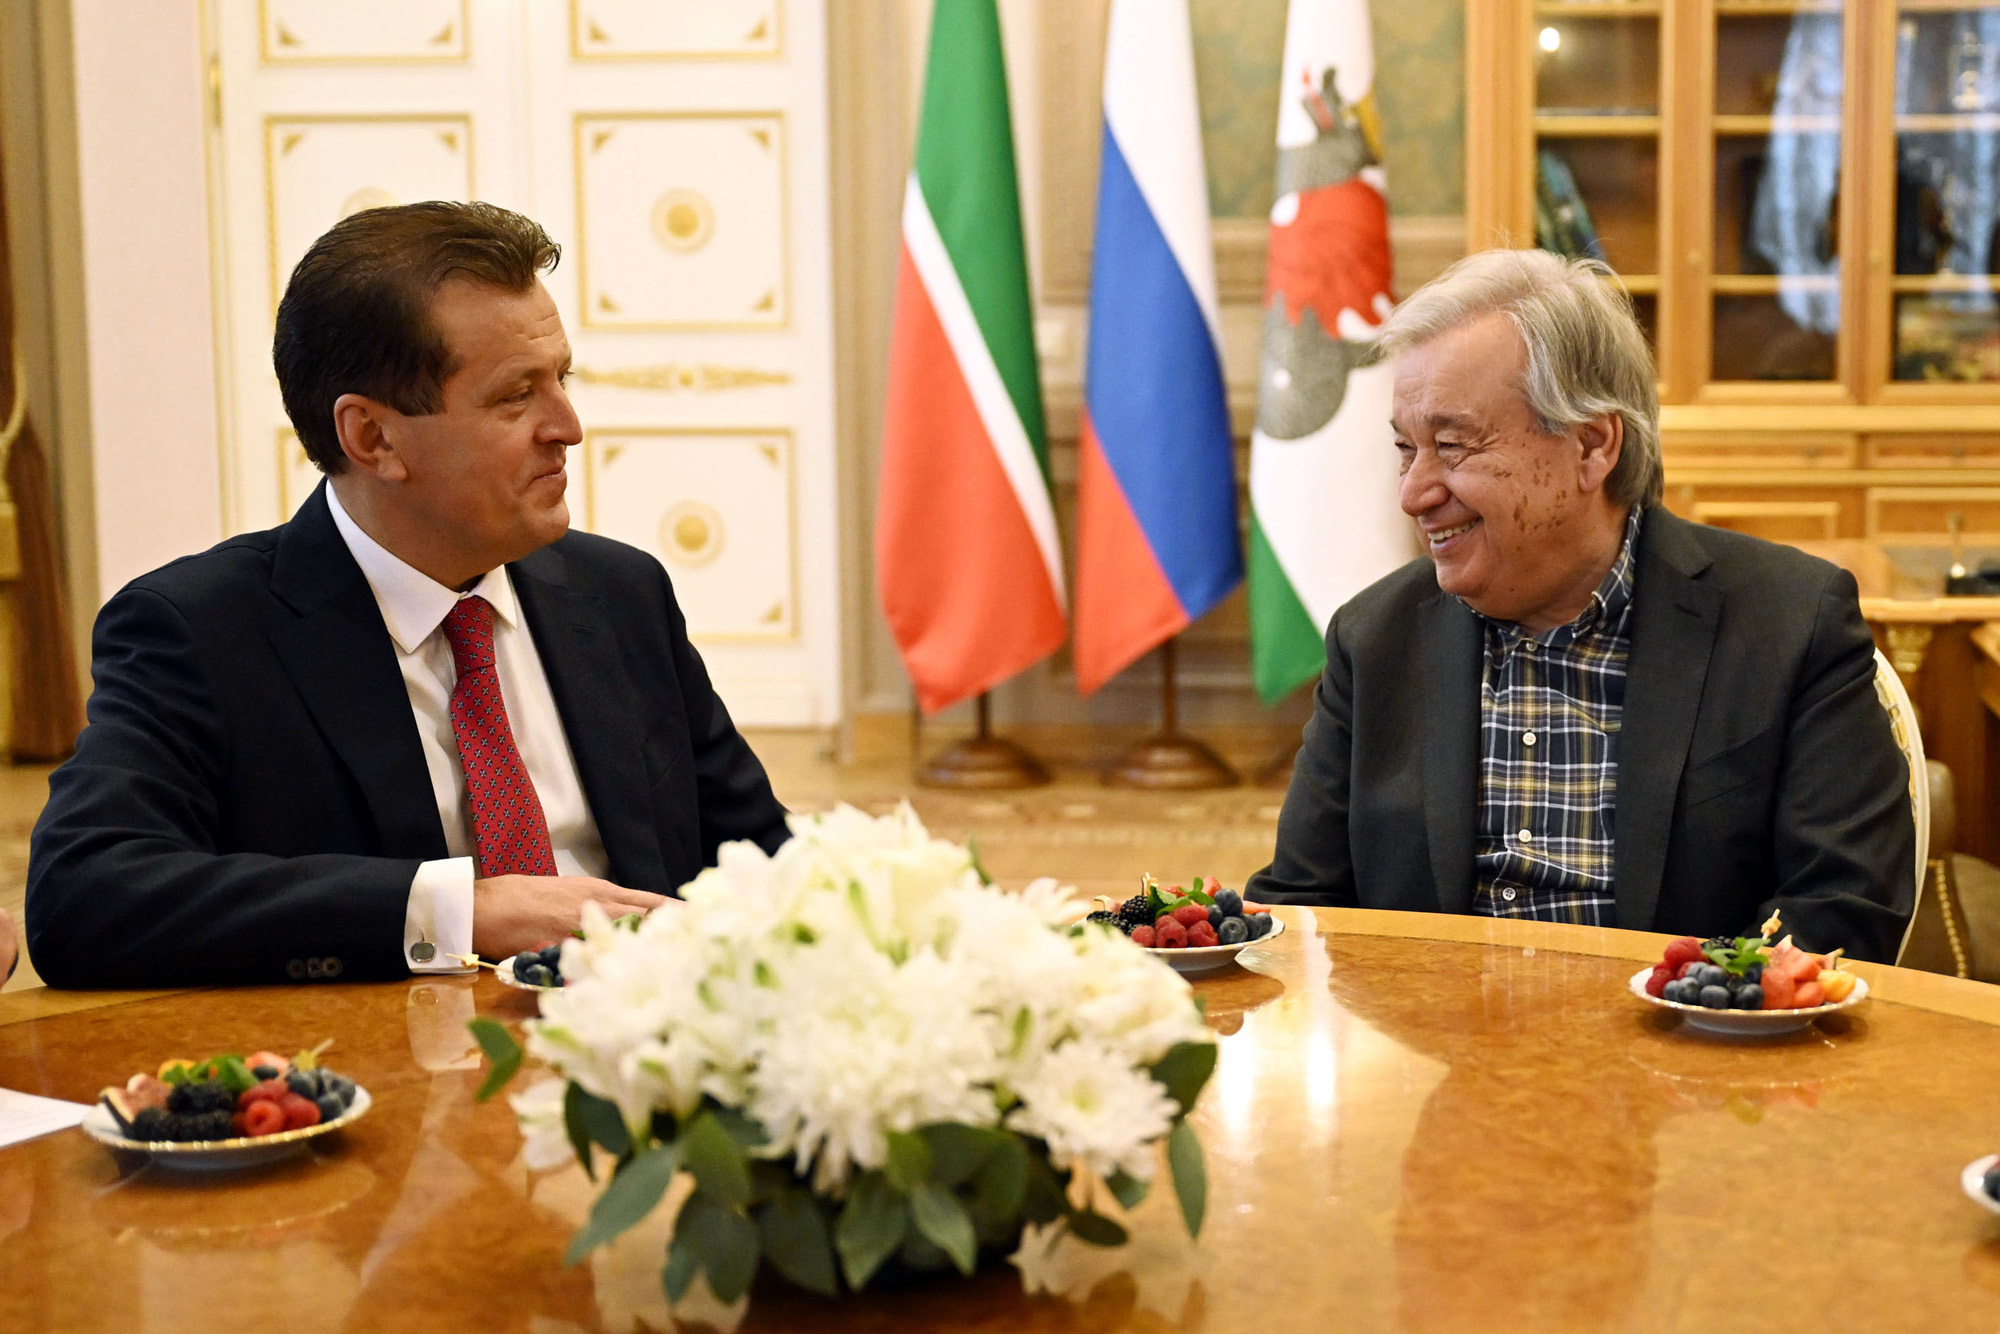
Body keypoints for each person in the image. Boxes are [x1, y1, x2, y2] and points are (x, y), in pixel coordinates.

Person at [26, 202, 789, 988]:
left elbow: (766, 860)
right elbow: (83, 897)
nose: (568, 427)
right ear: (372, 437)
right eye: (515, 395)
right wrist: (457, 912)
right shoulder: (202, 630)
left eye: (561, 379)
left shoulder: (620, 594)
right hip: (395, 1056)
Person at [1247, 248, 1914, 961]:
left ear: (1592, 446)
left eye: (1452, 445)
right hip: (1430, 1030)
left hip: (1680, 1029)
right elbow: (1300, 907)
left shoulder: (1790, 624)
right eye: (1407, 449)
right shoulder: (1374, 638)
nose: (1414, 493)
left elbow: (1840, 910)